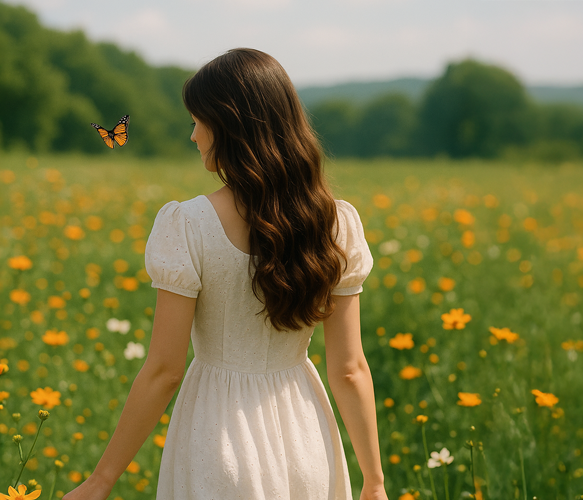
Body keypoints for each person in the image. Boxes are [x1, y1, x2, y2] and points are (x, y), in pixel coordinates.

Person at [63, 48, 386, 500]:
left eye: (198, 121)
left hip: (216, 437)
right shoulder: (335, 225)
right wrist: (374, 481)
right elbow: (350, 370)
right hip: (306, 440)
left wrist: (100, 481)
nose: (192, 135)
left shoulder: (188, 225)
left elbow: (163, 371)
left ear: (231, 126)